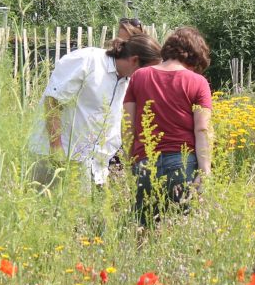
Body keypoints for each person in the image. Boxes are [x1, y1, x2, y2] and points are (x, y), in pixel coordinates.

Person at [29, 34, 162, 189]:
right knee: (44, 208)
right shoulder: (89, 60)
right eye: (149, 69)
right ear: (134, 60)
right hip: (55, 159)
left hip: (92, 166)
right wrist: (56, 150)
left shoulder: (128, 81)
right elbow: (53, 101)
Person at [123, 26, 213, 227]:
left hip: (144, 163)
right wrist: (205, 170)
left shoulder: (139, 77)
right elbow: (202, 129)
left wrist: (129, 163)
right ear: (195, 57)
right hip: (182, 164)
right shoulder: (198, 82)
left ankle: (140, 259)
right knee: (178, 231)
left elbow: (128, 125)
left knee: (143, 229)